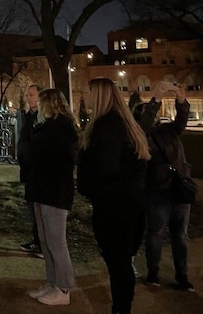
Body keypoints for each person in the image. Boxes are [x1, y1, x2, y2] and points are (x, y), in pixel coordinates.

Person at [77, 77, 151, 314]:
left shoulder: (106, 126)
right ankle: (122, 306)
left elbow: (105, 169)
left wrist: (85, 185)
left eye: (87, 91)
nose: (83, 95)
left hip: (113, 207)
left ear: (98, 95)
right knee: (121, 262)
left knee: (118, 264)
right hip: (128, 204)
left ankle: (121, 308)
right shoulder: (122, 123)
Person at [134, 80, 194, 291]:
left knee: (181, 235)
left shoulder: (169, 130)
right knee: (156, 233)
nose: (155, 114)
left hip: (179, 188)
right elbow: (145, 124)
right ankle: (153, 273)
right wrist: (156, 97)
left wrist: (181, 98)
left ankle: (182, 276)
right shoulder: (143, 134)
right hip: (158, 190)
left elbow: (182, 120)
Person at [24, 89, 79, 306]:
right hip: (42, 189)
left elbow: (39, 154)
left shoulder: (62, 130)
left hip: (54, 192)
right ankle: (52, 281)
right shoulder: (46, 128)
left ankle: (63, 287)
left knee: (56, 242)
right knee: (46, 241)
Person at [17, 84, 42, 257]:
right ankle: (37, 240)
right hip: (29, 170)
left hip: (37, 170)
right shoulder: (28, 117)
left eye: (31, 95)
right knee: (32, 208)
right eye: (27, 95)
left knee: (39, 210)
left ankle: (41, 243)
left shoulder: (41, 119)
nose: (28, 98)